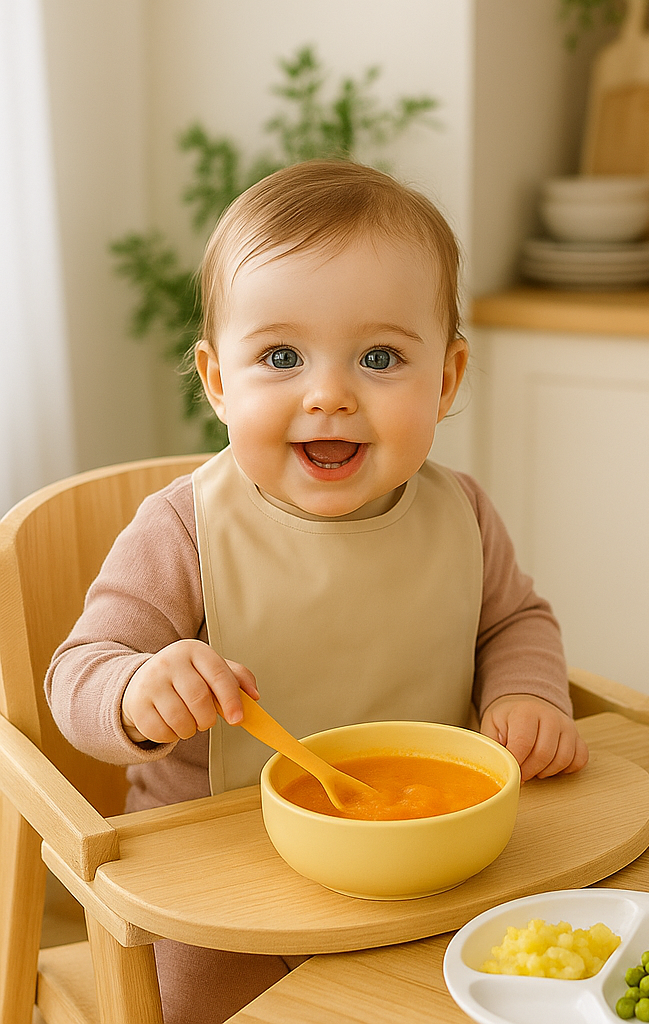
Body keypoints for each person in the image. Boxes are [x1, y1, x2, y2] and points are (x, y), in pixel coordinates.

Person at [45, 159, 588, 1024]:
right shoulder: (184, 528)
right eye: (281, 356)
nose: (329, 394)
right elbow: (76, 675)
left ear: (445, 381)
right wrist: (139, 691)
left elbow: (515, 620)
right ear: (218, 379)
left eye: (379, 357)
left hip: (424, 861)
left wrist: (526, 693)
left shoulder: (463, 514)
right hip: (222, 887)